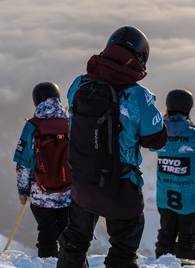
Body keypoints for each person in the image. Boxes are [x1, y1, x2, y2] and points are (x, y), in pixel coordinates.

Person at [57, 26, 167, 268]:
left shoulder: (79, 84)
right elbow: (156, 139)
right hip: (121, 185)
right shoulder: (138, 96)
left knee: (75, 240)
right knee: (124, 250)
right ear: (140, 58)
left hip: (83, 180)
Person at [152, 89, 195, 260]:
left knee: (165, 233)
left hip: (165, 195)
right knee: (187, 236)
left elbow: (150, 146)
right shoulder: (194, 134)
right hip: (191, 197)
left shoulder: (159, 132)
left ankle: (162, 263)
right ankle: (184, 263)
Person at [13, 81, 71, 258]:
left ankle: (47, 262)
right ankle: (70, 262)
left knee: (46, 233)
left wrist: (23, 191)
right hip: (69, 192)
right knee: (68, 233)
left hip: (40, 193)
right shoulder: (71, 123)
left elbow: (23, 164)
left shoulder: (32, 126)